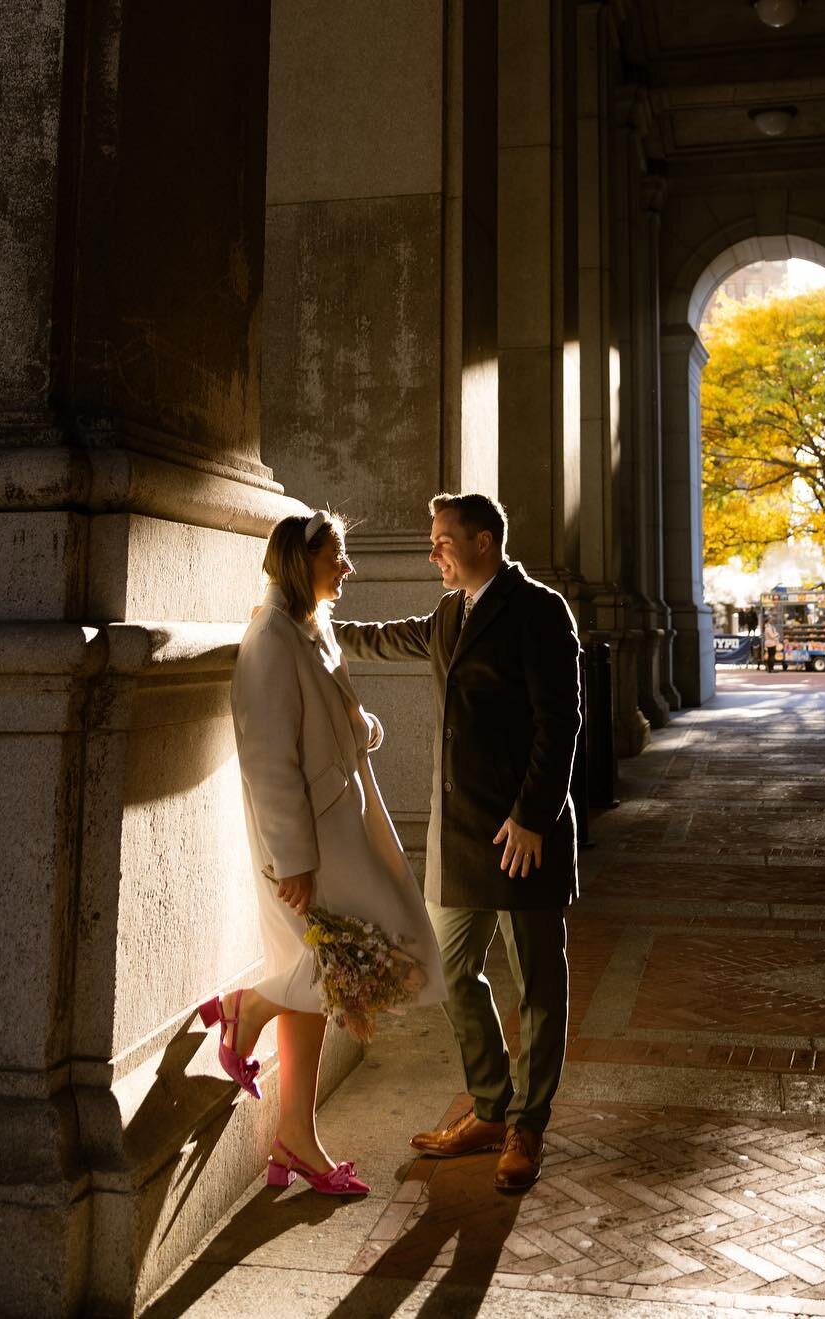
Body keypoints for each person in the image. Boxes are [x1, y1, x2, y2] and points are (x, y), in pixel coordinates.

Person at [334, 491, 581, 1194]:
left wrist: (534, 814)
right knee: (446, 969)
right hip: (463, 835)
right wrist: (314, 624)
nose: (433, 551)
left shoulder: (538, 610)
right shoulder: (448, 614)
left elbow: (560, 719)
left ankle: (527, 1124)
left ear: (484, 540)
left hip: (521, 835)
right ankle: (490, 1107)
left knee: (537, 985)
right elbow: (388, 636)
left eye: (443, 539)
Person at [200, 510, 445, 1196]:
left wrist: (359, 726)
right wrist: (292, 859)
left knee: (323, 976)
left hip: (337, 829)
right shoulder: (270, 638)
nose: (349, 568)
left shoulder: (311, 627)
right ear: (299, 560)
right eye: (338, 555)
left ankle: (291, 1133)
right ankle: (247, 1016)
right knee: (328, 968)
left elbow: (324, 721)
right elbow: (267, 757)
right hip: (307, 843)